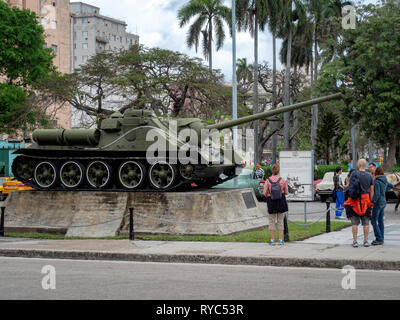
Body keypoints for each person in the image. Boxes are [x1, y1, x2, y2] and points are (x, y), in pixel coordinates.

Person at [344, 159, 374, 248]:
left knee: (354, 223)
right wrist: (371, 201)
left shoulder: (354, 174)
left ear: (358, 164)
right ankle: (365, 241)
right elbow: (371, 190)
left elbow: (350, 186)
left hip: (354, 201)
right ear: (365, 165)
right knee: (366, 223)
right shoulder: (369, 176)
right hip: (365, 200)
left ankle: (355, 241)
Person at [263, 164, 289, 246]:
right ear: (278, 171)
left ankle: (272, 240)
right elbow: (286, 192)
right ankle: (280, 240)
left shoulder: (267, 180)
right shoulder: (283, 180)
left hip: (271, 201)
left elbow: (264, 193)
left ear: (272, 171)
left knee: (271, 221)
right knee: (280, 221)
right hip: (281, 201)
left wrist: (269, 193)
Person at [371, 167, 394, 246]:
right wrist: (384, 190)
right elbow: (392, 186)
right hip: (384, 202)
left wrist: (373, 201)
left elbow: (376, 194)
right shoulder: (384, 180)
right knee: (380, 221)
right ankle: (382, 238)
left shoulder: (377, 181)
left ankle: (379, 239)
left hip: (378, 203)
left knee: (373, 221)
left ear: (376, 173)